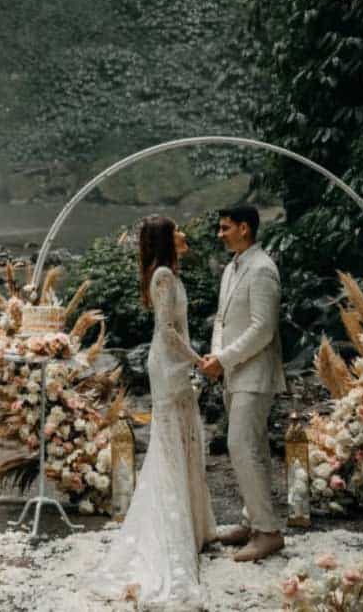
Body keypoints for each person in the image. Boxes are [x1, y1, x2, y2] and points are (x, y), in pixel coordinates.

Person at [92, 215, 216, 609]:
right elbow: (166, 331)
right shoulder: (162, 275)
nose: (183, 233)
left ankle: (193, 527)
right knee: (169, 444)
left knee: (184, 437)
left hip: (175, 364)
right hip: (169, 365)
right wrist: (198, 360)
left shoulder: (166, 273)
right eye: (177, 229)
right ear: (167, 239)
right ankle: (170, 532)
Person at [199, 204, 286, 562]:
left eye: (225, 228)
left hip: (255, 373)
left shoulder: (263, 269)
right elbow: (222, 319)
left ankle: (269, 532)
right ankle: (253, 521)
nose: (220, 234)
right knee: (255, 448)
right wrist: (215, 357)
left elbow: (262, 328)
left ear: (245, 229)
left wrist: (225, 358)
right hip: (235, 372)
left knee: (241, 446)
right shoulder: (233, 268)